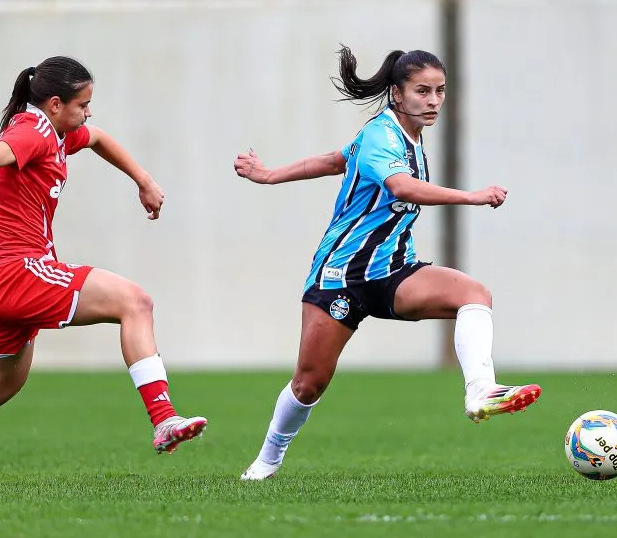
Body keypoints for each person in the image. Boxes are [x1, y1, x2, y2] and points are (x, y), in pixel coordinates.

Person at [0, 56, 207, 484]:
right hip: (18, 272)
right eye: (82, 104)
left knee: (1, 385)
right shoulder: (33, 130)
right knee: (136, 302)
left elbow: (98, 139)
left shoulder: (55, 131)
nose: (88, 113)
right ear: (55, 104)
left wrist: (142, 179)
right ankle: (163, 418)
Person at [232, 46, 542, 480]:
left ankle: (480, 391)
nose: (433, 101)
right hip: (341, 277)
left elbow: (336, 160)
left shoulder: (407, 136)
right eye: (422, 91)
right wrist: (471, 196)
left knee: (475, 294)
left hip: (394, 272)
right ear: (397, 94)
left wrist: (269, 173)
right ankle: (267, 461)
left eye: (440, 91)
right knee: (308, 383)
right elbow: (402, 188)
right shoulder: (382, 134)